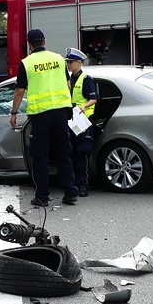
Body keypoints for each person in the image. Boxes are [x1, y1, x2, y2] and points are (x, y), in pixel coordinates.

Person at [10, 29, 78, 207]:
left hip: (41, 115)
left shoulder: (27, 63)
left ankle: (42, 196)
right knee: (64, 153)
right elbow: (68, 84)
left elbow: (19, 91)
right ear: (45, 42)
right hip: (61, 112)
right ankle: (70, 192)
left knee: (39, 155)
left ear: (29, 45)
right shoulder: (58, 59)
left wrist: (14, 113)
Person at [65, 48, 97, 197]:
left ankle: (83, 185)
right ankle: (75, 183)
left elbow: (93, 98)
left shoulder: (86, 78)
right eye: (67, 62)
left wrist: (84, 106)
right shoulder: (71, 79)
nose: (68, 65)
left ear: (79, 62)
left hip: (83, 121)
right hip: (73, 120)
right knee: (72, 153)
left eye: (71, 62)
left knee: (81, 153)